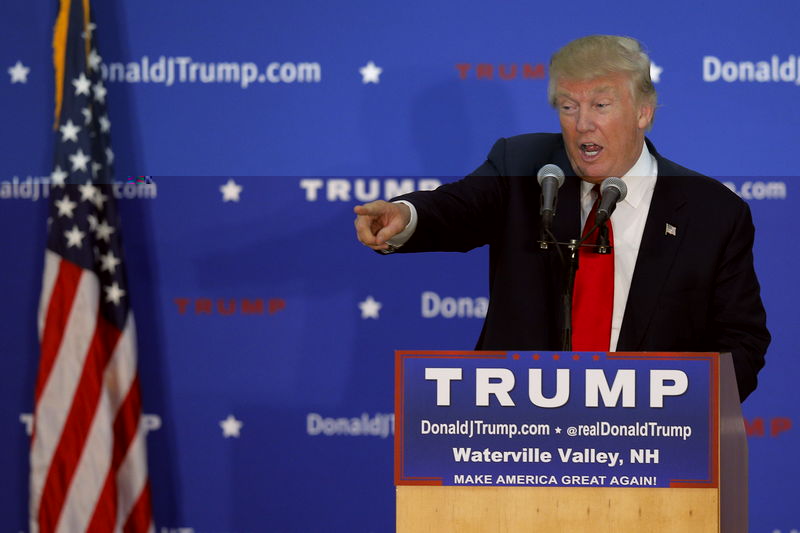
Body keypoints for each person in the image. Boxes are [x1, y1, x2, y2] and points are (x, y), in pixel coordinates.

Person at [353, 35, 769, 401]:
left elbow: (741, 341)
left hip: (648, 451)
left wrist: (687, 404)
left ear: (644, 111)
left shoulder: (711, 212)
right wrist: (406, 215)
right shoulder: (524, 167)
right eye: (568, 106)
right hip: (519, 440)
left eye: (600, 105)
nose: (582, 123)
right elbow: (457, 209)